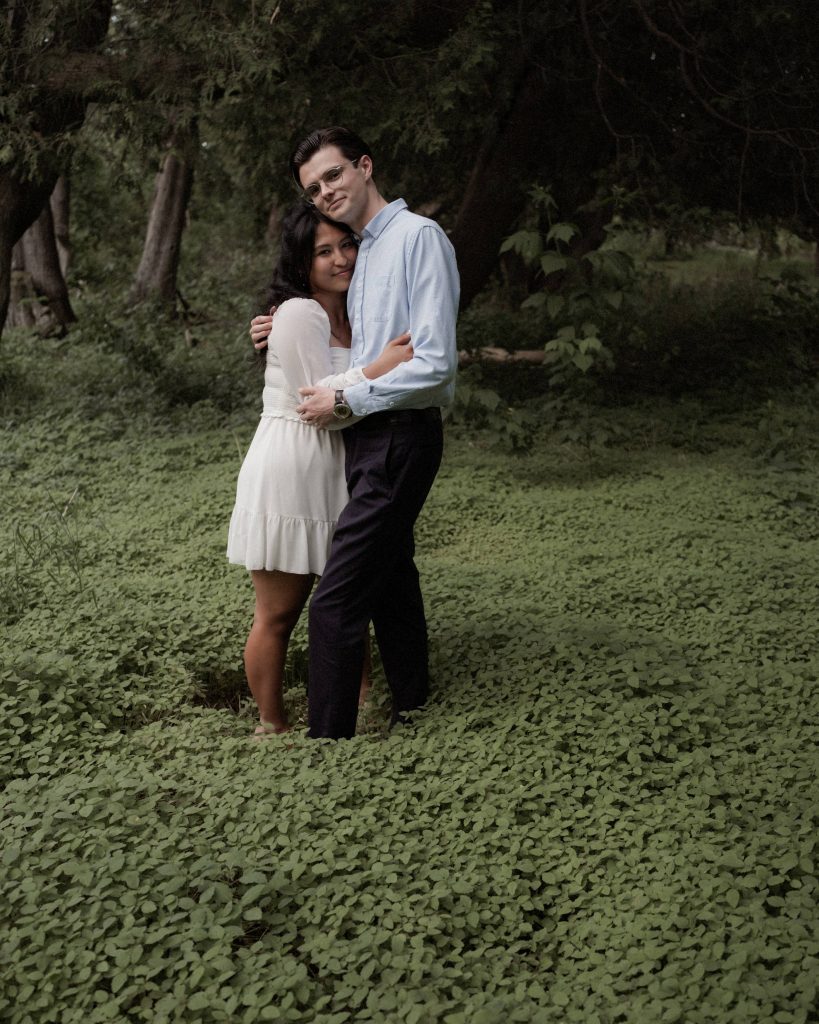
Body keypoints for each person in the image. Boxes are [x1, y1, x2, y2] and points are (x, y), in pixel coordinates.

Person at [290, 125, 460, 739]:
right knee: (390, 573)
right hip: (364, 436)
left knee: (335, 599)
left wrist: (345, 396)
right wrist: (278, 320)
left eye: (333, 174)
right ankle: (413, 704)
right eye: (314, 187)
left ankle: (326, 745)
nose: (326, 191)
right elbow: (353, 338)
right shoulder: (359, 252)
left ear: (364, 165)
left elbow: (436, 363)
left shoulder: (418, 238)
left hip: (401, 434)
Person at [228, 202, 413, 738]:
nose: (340, 259)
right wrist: (382, 367)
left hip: (347, 463)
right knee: (279, 613)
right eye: (323, 252)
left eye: (346, 245)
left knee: (346, 602)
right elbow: (319, 405)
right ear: (300, 261)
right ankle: (272, 724)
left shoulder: (360, 308)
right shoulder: (299, 313)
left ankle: (354, 709)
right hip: (295, 461)